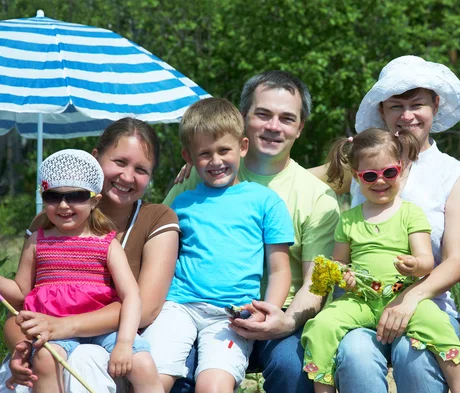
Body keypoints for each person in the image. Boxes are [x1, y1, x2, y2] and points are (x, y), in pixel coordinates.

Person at [163, 71, 340, 393]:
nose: (274, 126)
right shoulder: (203, 174)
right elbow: (162, 241)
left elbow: (317, 283)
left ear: (300, 128)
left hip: (281, 309)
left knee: (294, 366)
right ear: (244, 120)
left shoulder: (318, 198)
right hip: (199, 305)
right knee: (173, 371)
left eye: (287, 118)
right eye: (263, 114)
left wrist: (286, 321)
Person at [310, 55, 460, 392]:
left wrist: (410, 299)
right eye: (396, 105)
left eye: (417, 104)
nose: (407, 115)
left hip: (423, 300)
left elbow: (455, 261)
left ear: (435, 105)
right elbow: (293, 176)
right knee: (355, 352)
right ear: (382, 111)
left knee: (411, 353)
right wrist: (219, 167)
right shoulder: (365, 161)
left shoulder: (451, 173)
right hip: (361, 299)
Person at [1, 118, 180, 393]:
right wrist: (24, 345)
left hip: (105, 338)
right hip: (50, 339)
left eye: (141, 169)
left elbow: (140, 305)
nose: (127, 176)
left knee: (134, 363)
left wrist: (65, 327)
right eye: (119, 162)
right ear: (95, 160)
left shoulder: (127, 232)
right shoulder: (44, 230)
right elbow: (22, 296)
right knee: (46, 362)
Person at [143, 97, 294, 392]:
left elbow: (279, 270)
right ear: (188, 156)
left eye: (224, 150)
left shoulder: (266, 201)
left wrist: (267, 310)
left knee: (214, 386)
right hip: (179, 307)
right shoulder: (181, 202)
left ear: (243, 147)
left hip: (233, 314)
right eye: (204, 153)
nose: (215, 161)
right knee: (152, 380)